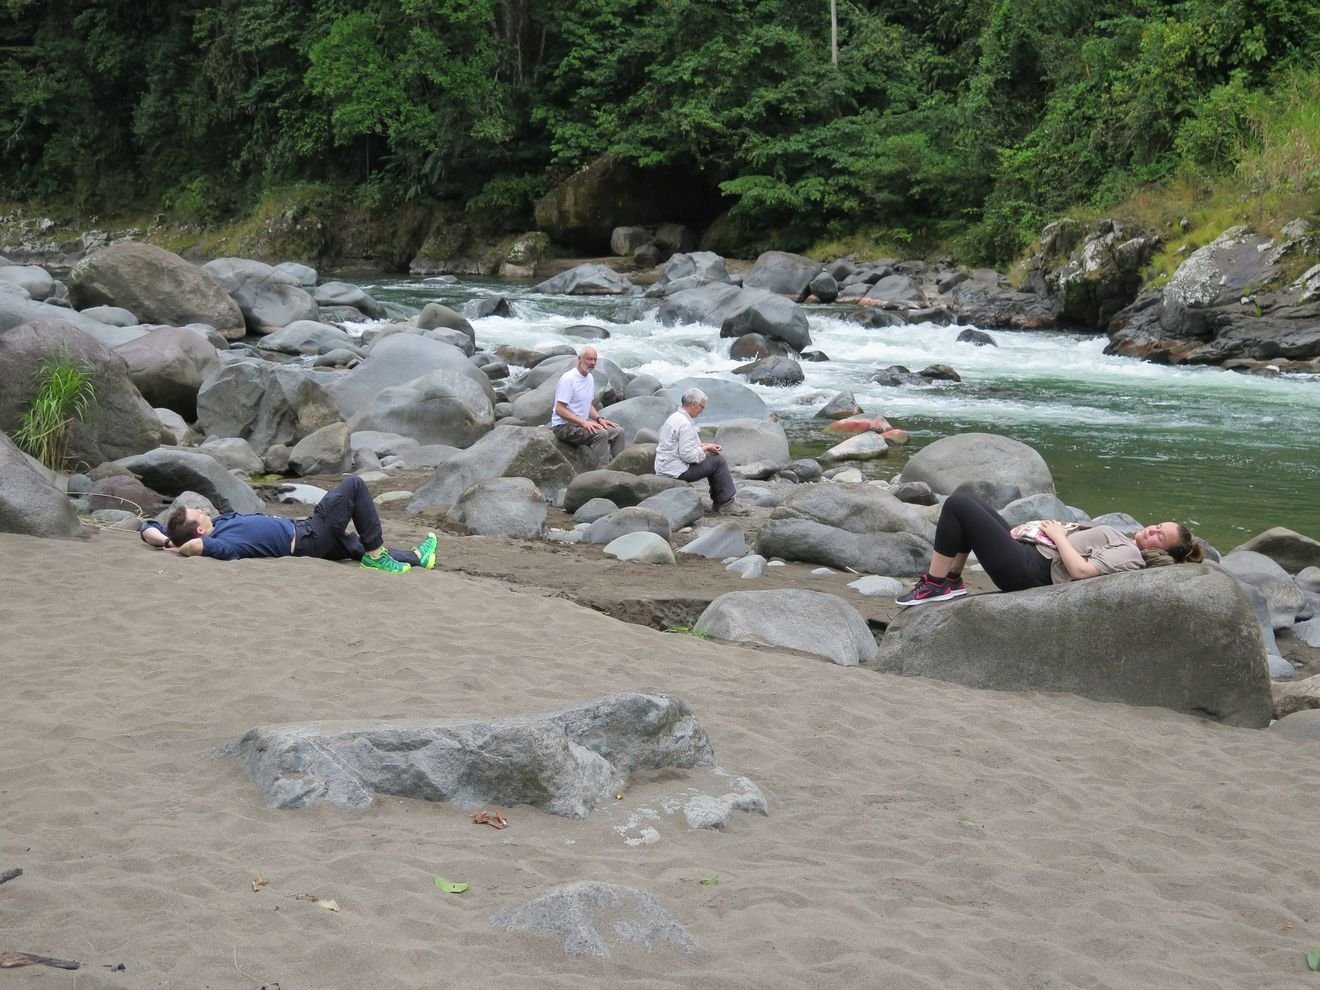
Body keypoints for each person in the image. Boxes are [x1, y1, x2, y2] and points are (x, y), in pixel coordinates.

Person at [896, 492, 1204, 606]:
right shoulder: (1127, 545)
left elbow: (1081, 571)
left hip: (1030, 570)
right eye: (1157, 525)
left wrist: (1058, 536)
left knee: (958, 504)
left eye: (1160, 536)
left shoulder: (1130, 554)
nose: (1152, 529)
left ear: (1164, 553)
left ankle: (935, 584)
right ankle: (950, 580)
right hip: (1030, 556)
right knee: (972, 502)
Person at [140, 476, 436, 574]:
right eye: (197, 512)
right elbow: (194, 547)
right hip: (308, 538)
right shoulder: (220, 544)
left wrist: (166, 541)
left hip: (305, 532)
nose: (202, 509)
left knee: (354, 546)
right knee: (354, 485)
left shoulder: (219, 523)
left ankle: (417, 558)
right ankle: (377, 559)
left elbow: (147, 527)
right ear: (200, 530)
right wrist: (178, 548)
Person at [654, 387, 749, 516]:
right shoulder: (685, 424)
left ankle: (719, 501)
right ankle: (726, 503)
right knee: (718, 461)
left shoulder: (675, 417)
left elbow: (682, 445)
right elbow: (688, 456)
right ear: (694, 404)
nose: (702, 411)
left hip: (665, 467)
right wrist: (705, 449)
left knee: (711, 457)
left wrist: (706, 446)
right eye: (702, 406)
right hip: (676, 471)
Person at [549, 346, 624, 466]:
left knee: (618, 431)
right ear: (579, 359)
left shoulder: (589, 378)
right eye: (589, 359)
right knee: (601, 434)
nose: (592, 363)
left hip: (580, 423)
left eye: (595, 359)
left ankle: (619, 468)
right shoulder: (568, 379)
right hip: (563, 426)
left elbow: (587, 404)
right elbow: (559, 409)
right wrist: (584, 423)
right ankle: (602, 471)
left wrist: (599, 419)